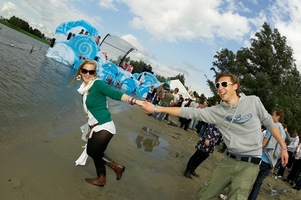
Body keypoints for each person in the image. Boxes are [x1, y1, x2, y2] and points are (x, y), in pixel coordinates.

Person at [141, 72, 288, 199]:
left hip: (250, 164)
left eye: (224, 84)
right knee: (204, 194)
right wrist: (157, 108)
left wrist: (283, 146)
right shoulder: (217, 111)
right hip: (229, 160)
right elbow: (190, 112)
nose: (220, 88)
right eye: (217, 85)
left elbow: (269, 123)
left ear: (235, 86)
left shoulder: (253, 101)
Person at [72, 60, 143, 187]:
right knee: (91, 151)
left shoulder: (97, 84)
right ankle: (104, 176)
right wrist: (90, 120)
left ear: (94, 73)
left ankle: (115, 168)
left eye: (91, 72)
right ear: (80, 71)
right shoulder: (85, 88)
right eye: (84, 71)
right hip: (96, 125)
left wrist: (136, 101)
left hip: (104, 126)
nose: (87, 74)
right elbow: (92, 106)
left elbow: (114, 93)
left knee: (94, 152)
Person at [248, 108, 286, 200]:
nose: (270, 116)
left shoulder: (272, 127)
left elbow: (263, 144)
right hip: (270, 162)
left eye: (272, 114)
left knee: (248, 179)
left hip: (262, 159)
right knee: (258, 184)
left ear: (278, 116)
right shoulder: (283, 132)